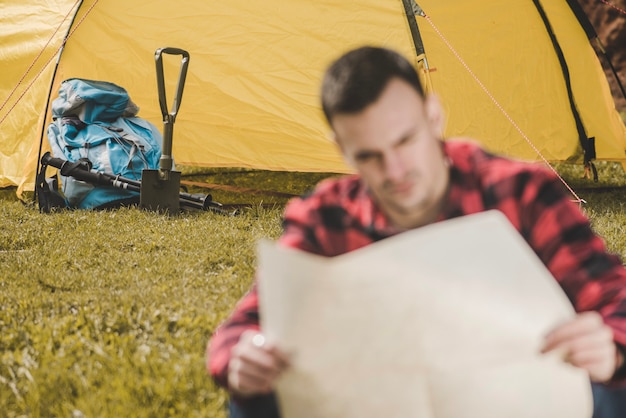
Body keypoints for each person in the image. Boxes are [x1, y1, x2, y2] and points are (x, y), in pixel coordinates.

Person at [207, 46, 626, 417]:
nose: (395, 171)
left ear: (434, 117)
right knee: (253, 397)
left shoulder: (521, 191)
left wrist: (609, 344)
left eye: (405, 140)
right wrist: (243, 358)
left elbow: (614, 296)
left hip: (521, 399)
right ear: (342, 148)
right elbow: (244, 326)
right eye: (369, 156)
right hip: (380, 402)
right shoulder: (325, 216)